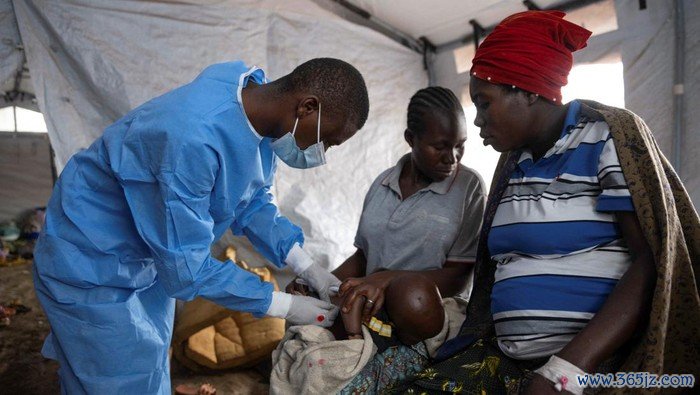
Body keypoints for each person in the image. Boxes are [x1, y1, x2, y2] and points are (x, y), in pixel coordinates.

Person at [401, 11, 700, 394]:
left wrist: (567, 369)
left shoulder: (608, 138)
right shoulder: (513, 163)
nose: (477, 121)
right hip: (509, 359)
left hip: (597, 364)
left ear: (528, 91)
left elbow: (651, 261)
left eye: (484, 103)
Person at [32, 58, 369, 394]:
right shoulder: (190, 139)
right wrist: (286, 306)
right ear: (307, 107)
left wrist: (309, 268)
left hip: (146, 254)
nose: (322, 153)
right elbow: (187, 269)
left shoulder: (256, 111)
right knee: (112, 374)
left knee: (147, 356)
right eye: (329, 141)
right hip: (92, 257)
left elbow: (251, 203)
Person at [287, 86, 487, 392]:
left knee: (411, 295)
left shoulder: (468, 187)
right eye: (440, 146)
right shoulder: (382, 184)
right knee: (302, 325)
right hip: (372, 305)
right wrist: (318, 284)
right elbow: (364, 258)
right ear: (411, 139)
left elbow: (459, 276)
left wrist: (387, 280)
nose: (453, 158)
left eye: (460, 145)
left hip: (425, 311)